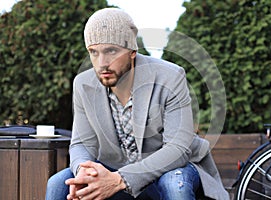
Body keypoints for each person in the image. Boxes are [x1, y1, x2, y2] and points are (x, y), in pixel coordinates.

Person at [46, 8, 229, 200]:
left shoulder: (170, 77)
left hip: (169, 170)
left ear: (132, 52)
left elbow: (177, 150)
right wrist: (83, 170)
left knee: (175, 185)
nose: (102, 63)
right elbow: (83, 143)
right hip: (114, 169)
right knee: (59, 184)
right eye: (93, 52)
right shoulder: (83, 84)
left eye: (111, 51)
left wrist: (119, 179)